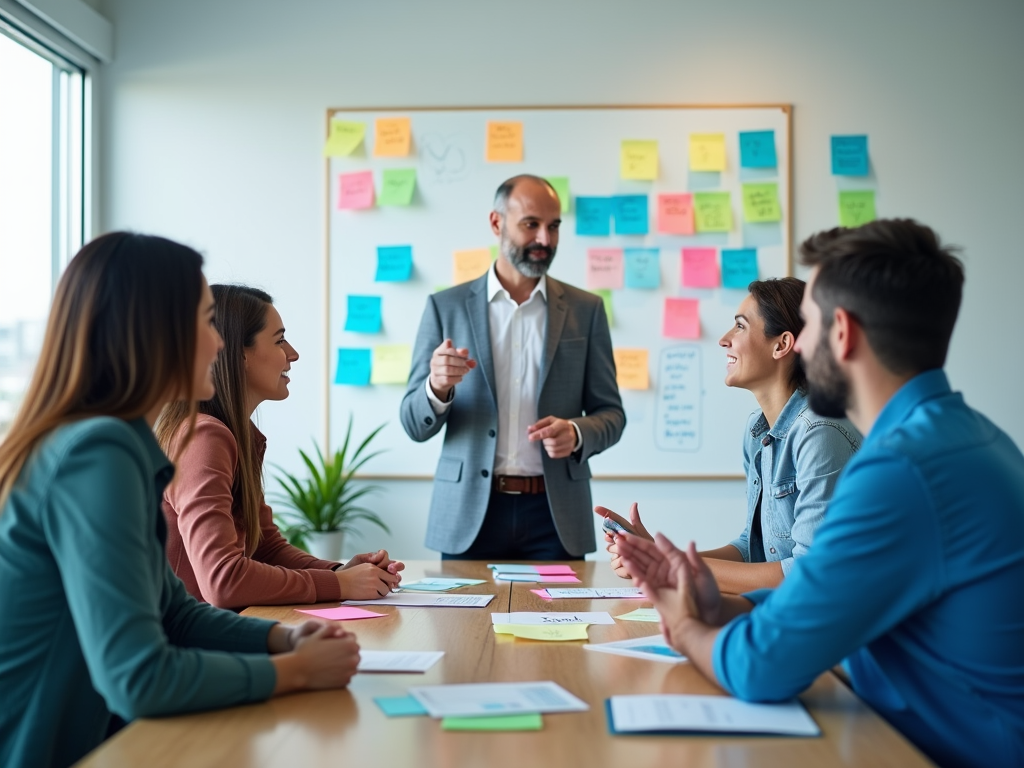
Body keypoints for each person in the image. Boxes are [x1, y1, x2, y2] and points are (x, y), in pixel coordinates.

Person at [615, 219, 1024, 768]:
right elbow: (824, 587)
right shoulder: (969, 438)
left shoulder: (899, 472)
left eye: (807, 325)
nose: (800, 345)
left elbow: (764, 667)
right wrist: (728, 604)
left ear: (843, 334)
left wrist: (685, 626)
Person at [0, 233, 361, 768]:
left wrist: (282, 640)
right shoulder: (97, 454)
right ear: (150, 332)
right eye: (203, 321)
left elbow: (176, 613)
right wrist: (298, 671)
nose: (216, 344)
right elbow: (138, 678)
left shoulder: (121, 442)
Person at [400, 174, 625, 560]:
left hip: (555, 517)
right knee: (462, 624)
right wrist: (436, 389)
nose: (545, 239)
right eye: (531, 225)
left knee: (563, 621)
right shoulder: (446, 307)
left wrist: (577, 431)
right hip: (469, 513)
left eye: (553, 227)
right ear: (496, 223)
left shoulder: (586, 310)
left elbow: (612, 415)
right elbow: (412, 423)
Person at [598, 278, 860, 592]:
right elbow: (755, 551)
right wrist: (659, 558)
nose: (724, 340)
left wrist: (669, 564)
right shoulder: (757, 431)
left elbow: (807, 574)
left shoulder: (819, 433)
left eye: (739, 326)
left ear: (782, 344)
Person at [158, 284, 402, 610]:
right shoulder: (204, 437)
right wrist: (339, 584)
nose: (293, 354)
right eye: (279, 340)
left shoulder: (232, 432)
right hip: (184, 642)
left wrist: (342, 572)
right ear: (238, 352)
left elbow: (265, 548)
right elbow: (222, 581)